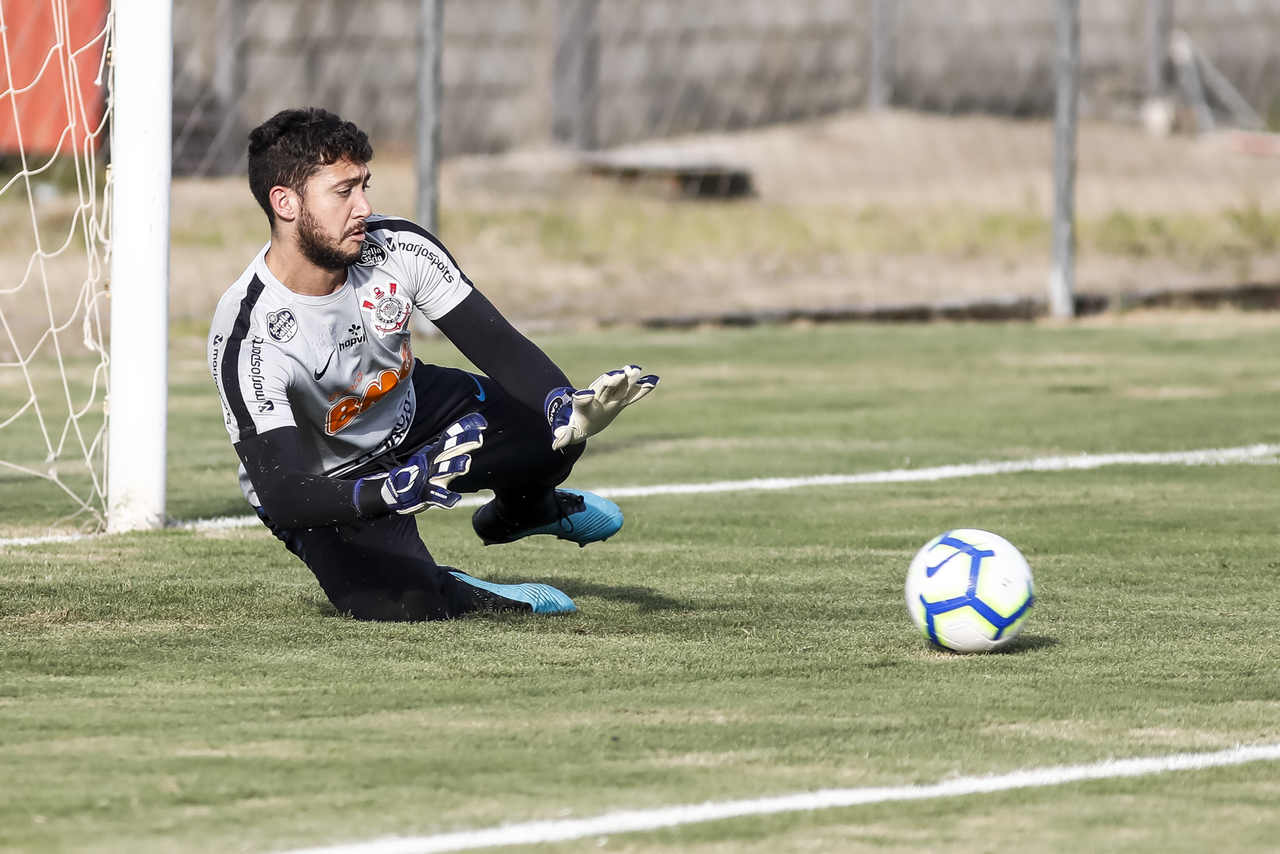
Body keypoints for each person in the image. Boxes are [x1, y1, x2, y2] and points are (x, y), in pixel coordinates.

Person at [207, 107, 658, 621]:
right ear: (284, 203)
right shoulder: (250, 331)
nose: (364, 206)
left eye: (364, 186)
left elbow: (500, 346)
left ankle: (525, 512)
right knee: (403, 602)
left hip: (412, 412)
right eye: (343, 191)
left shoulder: (399, 246)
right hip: (331, 480)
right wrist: (387, 490)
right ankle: (466, 590)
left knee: (543, 425)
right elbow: (284, 490)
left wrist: (563, 406)